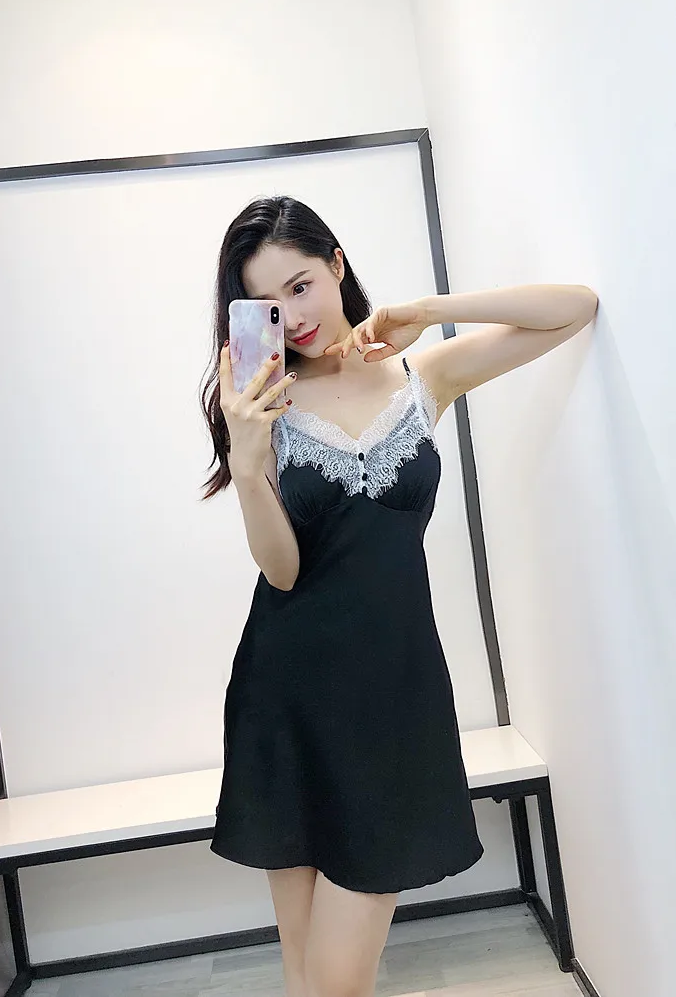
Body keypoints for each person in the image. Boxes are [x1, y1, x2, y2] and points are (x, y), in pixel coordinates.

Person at [199, 195, 598, 997]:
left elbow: (574, 309)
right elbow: (281, 571)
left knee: (337, 979)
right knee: (308, 971)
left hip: (394, 694)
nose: (293, 317)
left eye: (302, 286)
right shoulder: (260, 402)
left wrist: (430, 311)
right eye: (267, 304)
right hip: (287, 695)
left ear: (336, 264)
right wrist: (245, 457)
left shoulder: (423, 376)